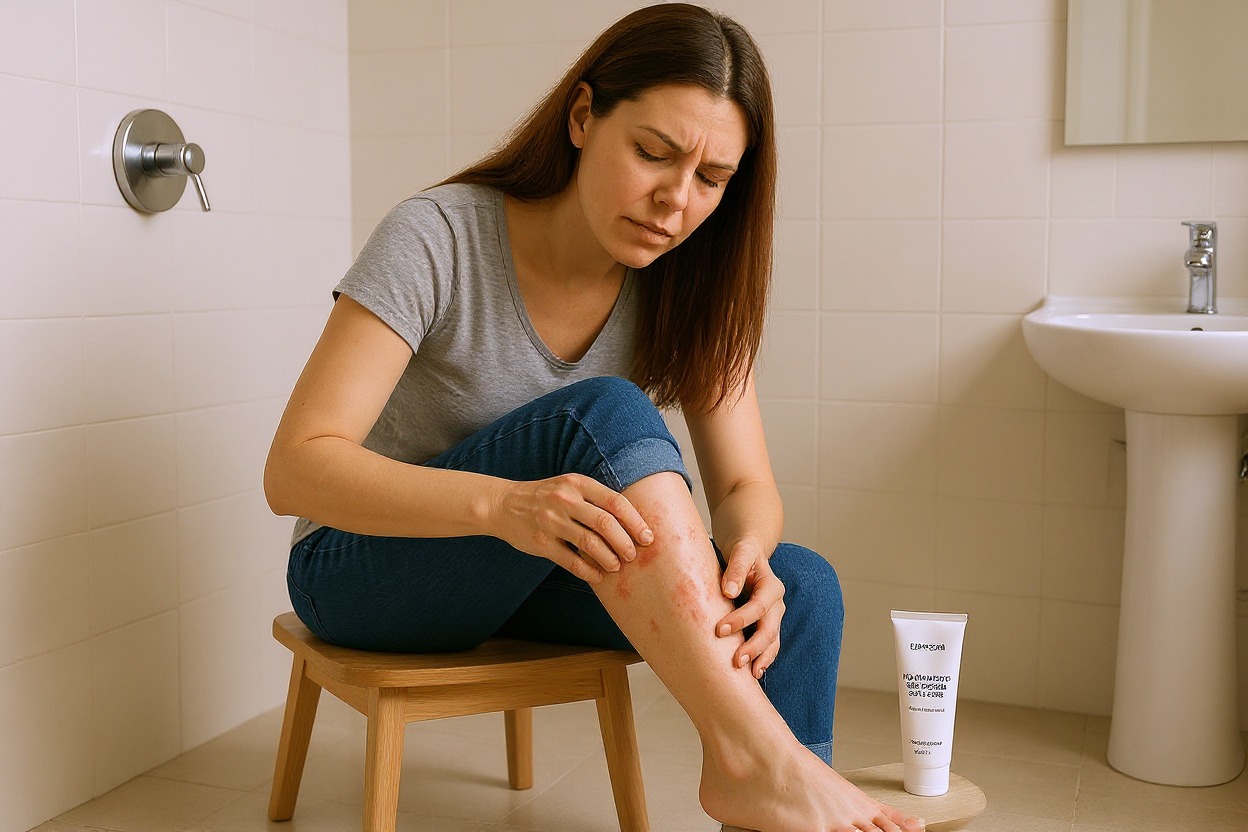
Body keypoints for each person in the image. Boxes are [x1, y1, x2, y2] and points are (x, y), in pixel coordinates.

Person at [264, 5, 923, 831]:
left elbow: (747, 482)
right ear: (583, 117)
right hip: (367, 570)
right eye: (653, 153)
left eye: (712, 180)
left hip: (538, 571)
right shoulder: (435, 236)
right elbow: (294, 470)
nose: (674, 201)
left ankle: (763, 791)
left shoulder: (686, 282)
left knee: (804, 587)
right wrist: (505, 508)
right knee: (602, 416)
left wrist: (749, 547)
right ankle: (756, 760)